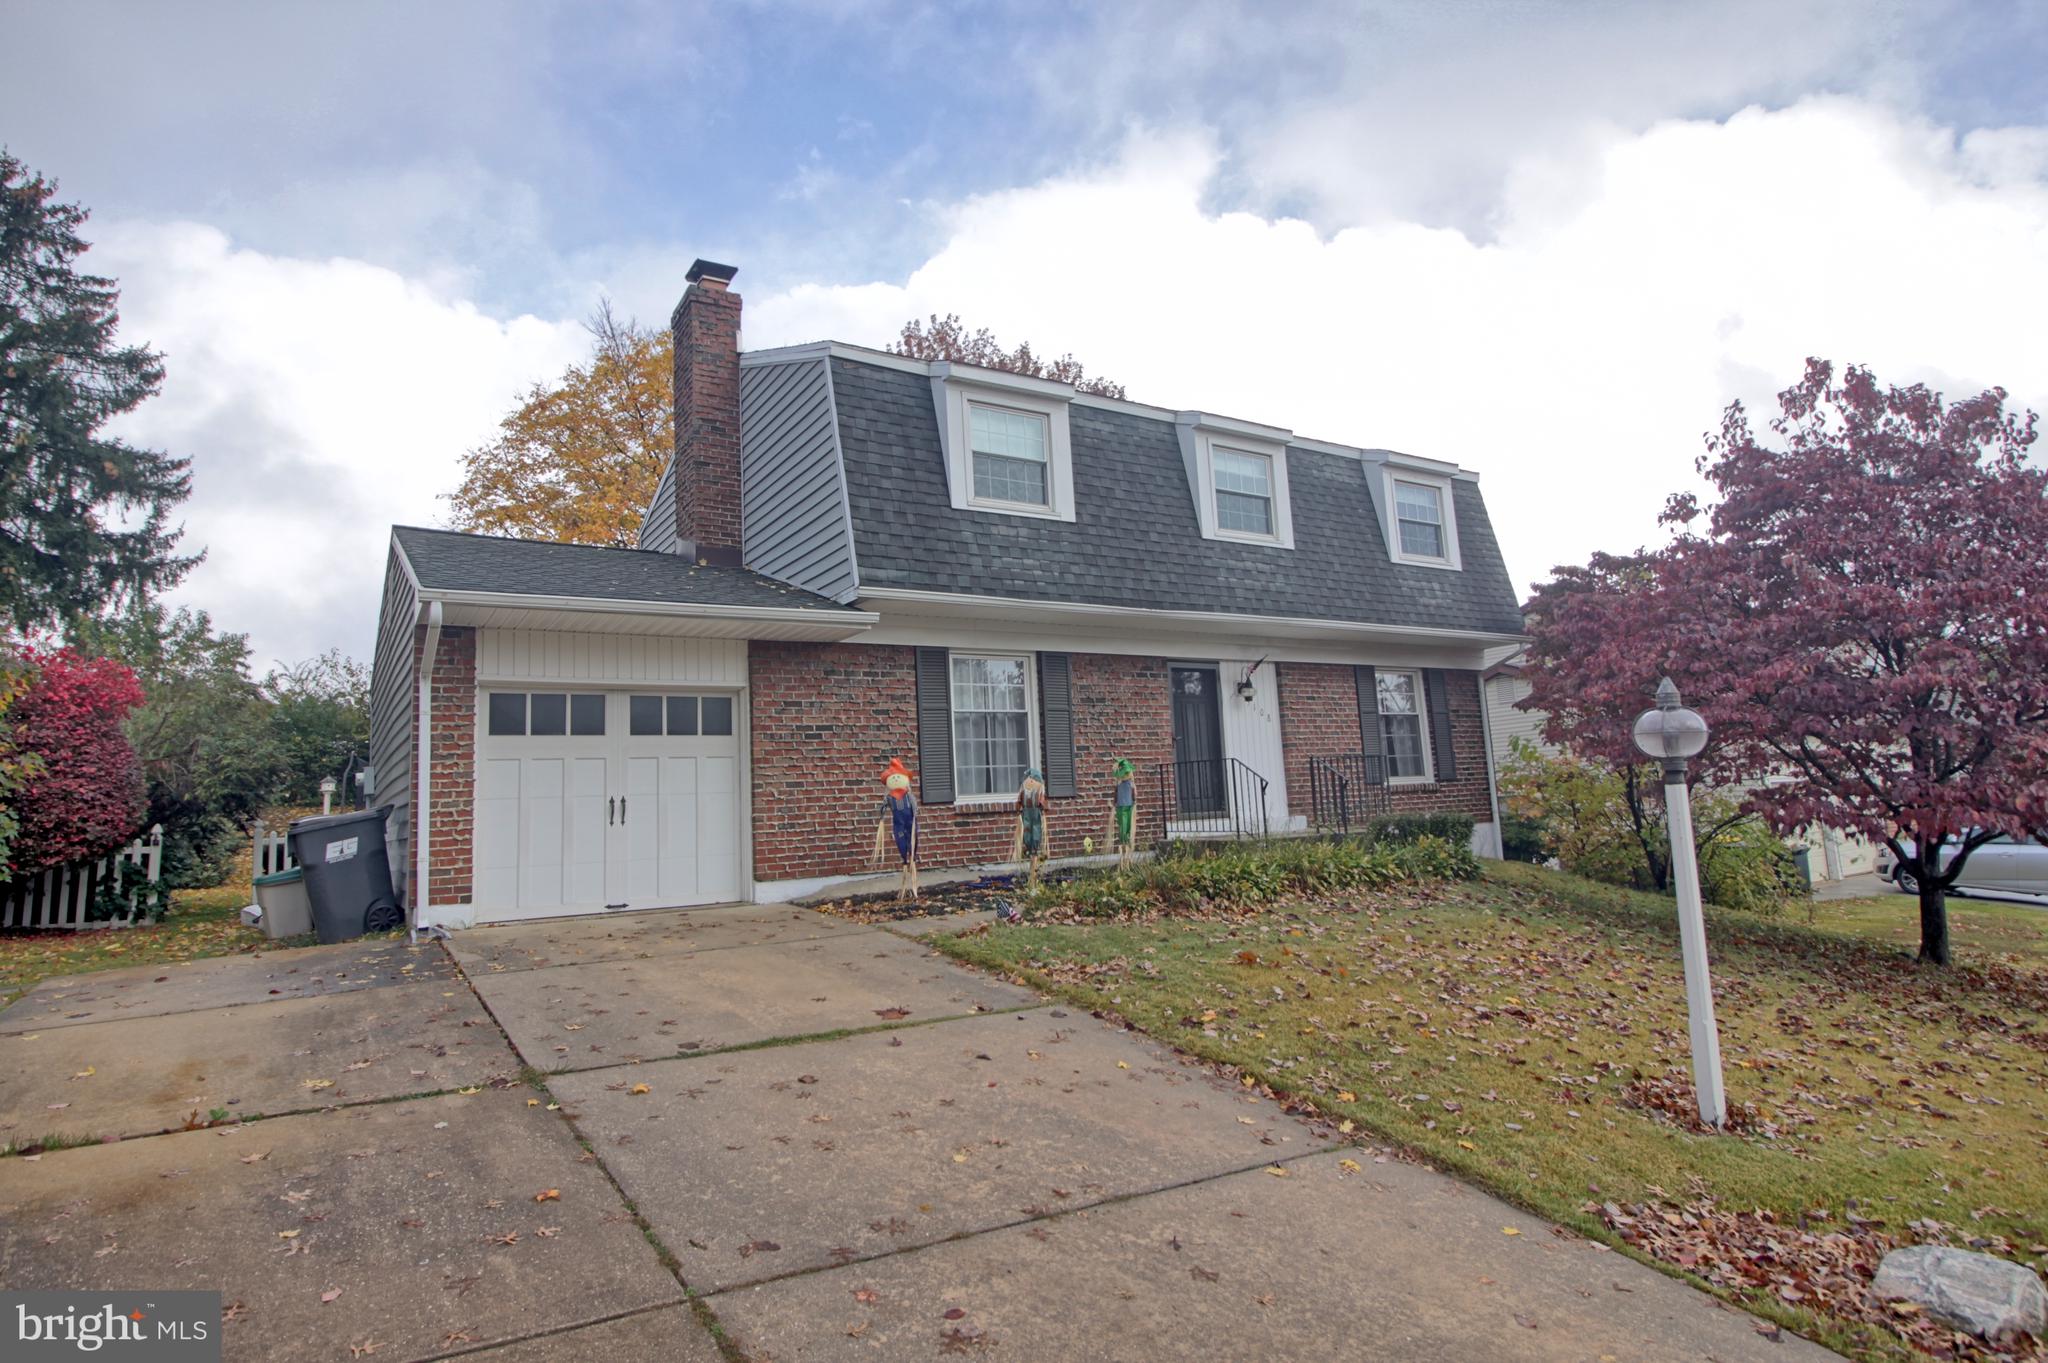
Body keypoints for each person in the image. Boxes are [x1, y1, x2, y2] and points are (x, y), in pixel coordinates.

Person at [870, 757, 920, 900]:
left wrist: (915, 816)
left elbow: (915, 807)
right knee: (900, 840)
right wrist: (881, 818)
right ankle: (905, 860)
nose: (897, 779)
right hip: (898, 823)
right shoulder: (889, 798)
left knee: (913, 838)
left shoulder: (908, 795)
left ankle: (913, 860)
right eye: (894, 777)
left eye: (899, 776)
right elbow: (883, 808)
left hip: (910, 821)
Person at [1013, 767, 1049, 888]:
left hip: (1036, 815)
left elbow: (1042, 802)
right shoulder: (1024, 788)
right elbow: (1019, 801)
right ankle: (1029, 851)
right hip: (1026, 815)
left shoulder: (1039, 789)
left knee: (1036, 836)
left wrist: (1042, 808)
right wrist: (1018, 811)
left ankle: (1033, 874)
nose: (1031, 781)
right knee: (1027, 836)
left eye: (1033, 779)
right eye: (1029, 779)